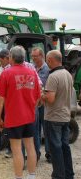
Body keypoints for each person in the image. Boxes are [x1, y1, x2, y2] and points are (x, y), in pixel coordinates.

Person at [0, 46, 41, 179]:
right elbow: (38, 96)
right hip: (30, 117)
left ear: (11, 58)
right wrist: (31, 108)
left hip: (14, 118)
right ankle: (31, 176)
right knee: (30, 147)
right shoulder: (32, 72)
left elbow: (0, 100)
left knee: (16, 150)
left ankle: (19, 177)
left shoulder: (6, 73)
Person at [41, 50, 74, 179]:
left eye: (48, 60)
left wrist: (41, 94)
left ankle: (58, 176)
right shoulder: (67, 74)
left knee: (55, 149)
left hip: (53, 117)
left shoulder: (53, 76)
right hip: (65, 116)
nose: (47, 62)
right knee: (65, 147)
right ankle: (68, 174)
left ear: (50, 60)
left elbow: (50, 98)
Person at [31, 47, 50, 162]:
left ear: (41, 56)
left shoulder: (48, 70)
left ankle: (49, 153)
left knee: (46, 129)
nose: (33, 58)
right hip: (34, 104)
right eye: (32, 56)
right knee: (35, 130)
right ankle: (36, 153)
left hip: (44, 104)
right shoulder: (32, 69)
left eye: (35, 56)